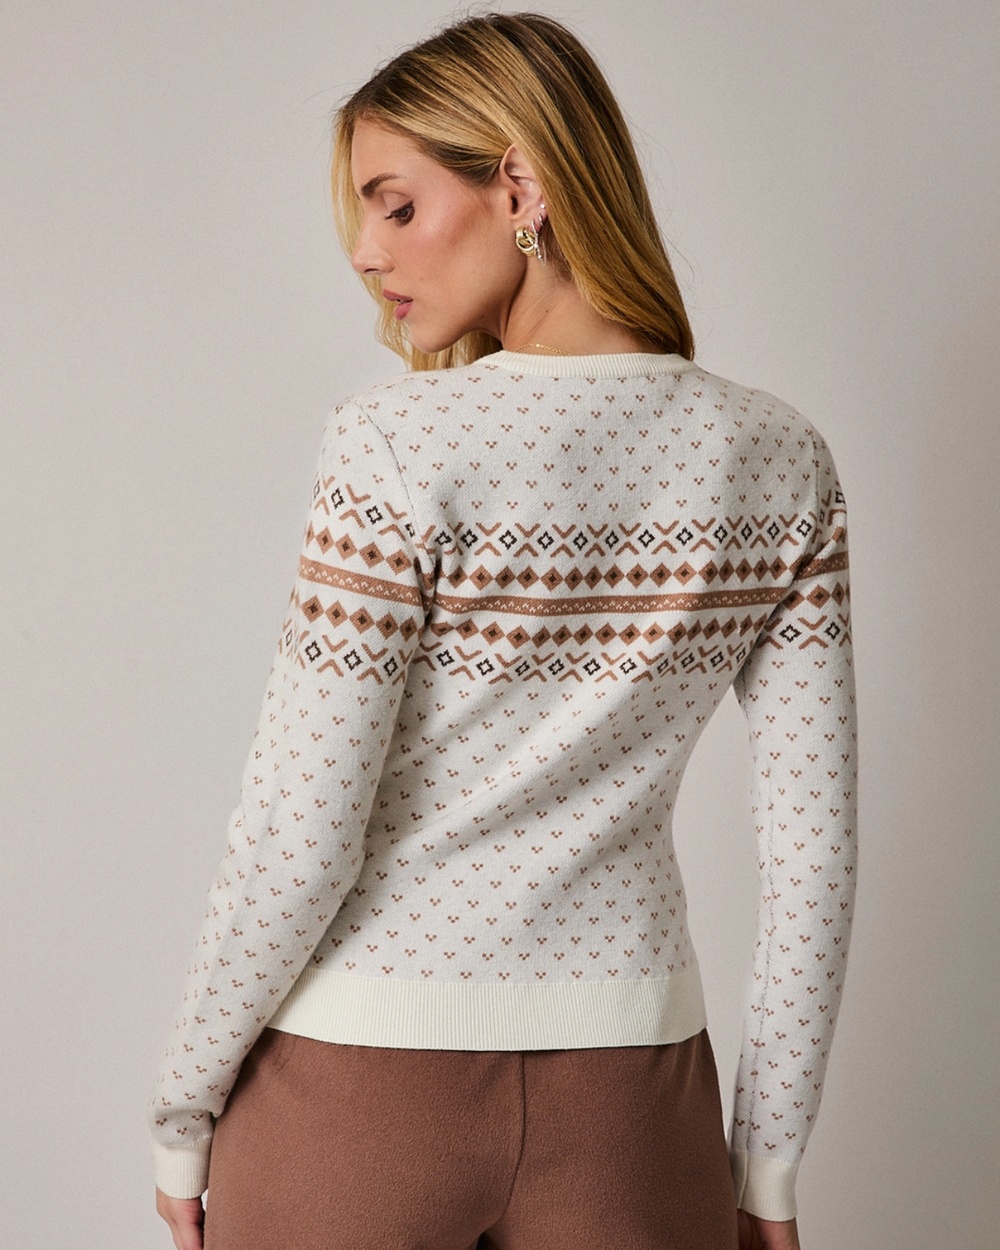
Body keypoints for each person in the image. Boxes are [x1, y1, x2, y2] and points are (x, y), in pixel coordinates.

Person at [151, 13, 856, 1250]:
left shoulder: (395, 441)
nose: (365, 251)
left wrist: (183, 1102)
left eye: (396, 205)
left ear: (520, 186)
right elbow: (813, 855)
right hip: (635, 1103)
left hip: (353, 1093)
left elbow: (301, 831)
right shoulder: (780, 456)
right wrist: (767, 1168)